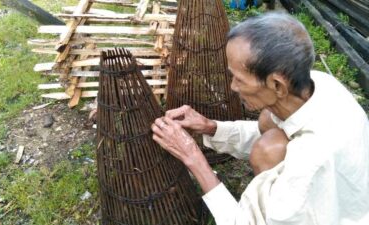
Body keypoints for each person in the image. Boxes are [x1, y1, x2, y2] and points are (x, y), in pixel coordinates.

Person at [151, 12, 369, 225]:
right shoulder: (319, 84)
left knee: (267, 150)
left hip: (337, 215)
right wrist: (211, 127)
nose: (233, 87)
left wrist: (193, 158)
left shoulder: (307, 166)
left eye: (239, 79)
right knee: (267, 119)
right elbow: (279, 128)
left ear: (277, 84)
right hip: (336, 187)